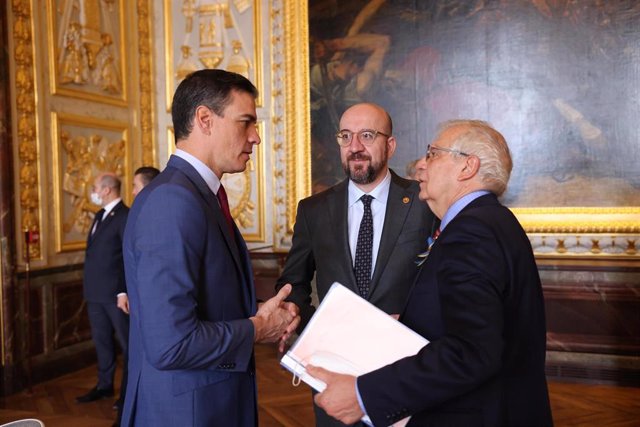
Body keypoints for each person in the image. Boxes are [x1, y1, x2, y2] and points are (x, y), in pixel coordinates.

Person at [308, 120, 553, 426]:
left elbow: (472, 350)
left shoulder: (472, 232)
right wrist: (409, 323)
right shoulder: (491, 221)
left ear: (467, 167)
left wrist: (363, 394)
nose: (420, 166)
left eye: (433, 155)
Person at [121, 69, 300, 427]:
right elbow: (171, 342)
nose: (256, 137)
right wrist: (255, 328)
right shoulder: (174, 201)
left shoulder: (196, 196)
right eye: (246, 122)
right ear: (205, 119)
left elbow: (205, 301)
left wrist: (262, 313)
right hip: (186, 413)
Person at [276, 102, 437, 427]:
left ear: (389, 145)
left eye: (367, 135)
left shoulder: (423, 203)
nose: (355, 147)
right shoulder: (313, 210)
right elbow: (294, 282)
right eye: (346, 137)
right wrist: (301, 320)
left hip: (405, 370)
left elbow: (442, 282)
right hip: (334, 370)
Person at [76, 172, 129, 427]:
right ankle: (105, 385)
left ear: (107, 190)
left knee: (127, 344)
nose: (93, 192)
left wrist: (123, 291)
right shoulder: (99, 215)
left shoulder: (125, 215)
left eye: (95, 188)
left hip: (114, 295)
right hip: (95, 293)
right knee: (102, 342)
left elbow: (127, 258)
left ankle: (128, 392)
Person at [114, 166, 161, 317]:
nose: (133, 192)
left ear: (149, 187)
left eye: (135, 186)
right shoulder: (138, 213)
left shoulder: (161, 214)